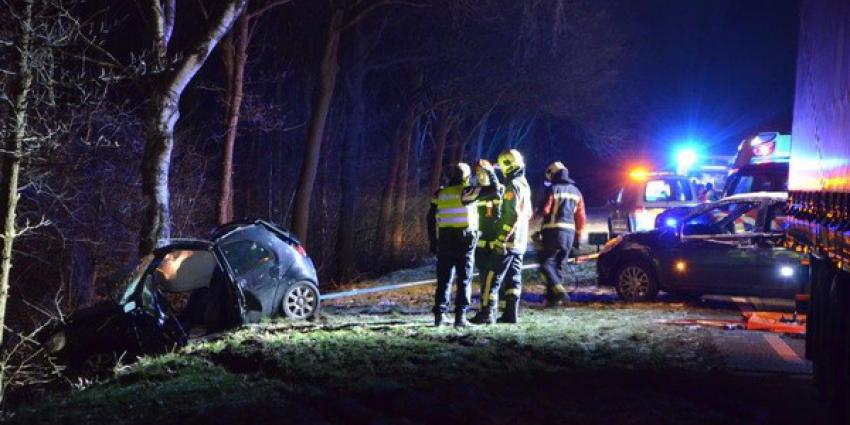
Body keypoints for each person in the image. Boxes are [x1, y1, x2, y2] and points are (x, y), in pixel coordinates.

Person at [428, 161, 503, 327]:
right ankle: (460, 317)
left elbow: (430, 218)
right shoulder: (466, 192)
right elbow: (496, 190)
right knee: (464, 278)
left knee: (444, 279)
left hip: (445, 239)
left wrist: (433, 241)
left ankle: (439, 316)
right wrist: (491, 172)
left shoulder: (439, 193)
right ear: (467, 177)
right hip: (464, 240)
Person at [536, 161, 586, 307]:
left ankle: (560, 293)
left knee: (546, 263)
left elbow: (545, 209)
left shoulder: (553, 189)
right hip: (569, 234)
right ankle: (553, 301)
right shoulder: (576, 191)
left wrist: (537, 217)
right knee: (559, 265)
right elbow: (581, 217)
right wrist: (578, 237)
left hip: (552, 232)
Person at [492, 149, 533, 324]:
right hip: (521, 242)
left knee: (495, 278)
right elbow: (528, 213)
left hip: (508, 243)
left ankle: (488, 314)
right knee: (514, 279)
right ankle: (511, 314)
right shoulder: (524, 184)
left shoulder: (512, 186)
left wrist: (502, 237)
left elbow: (512, 215)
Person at [469, 161, 504, 325]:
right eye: (478, 173)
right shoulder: (480, 191)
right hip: (481, 243)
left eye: (482, 173)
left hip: (492, 243)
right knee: (485, 280)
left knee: (490, 281)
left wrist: (491, 173)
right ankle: (486, 311)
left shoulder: (498, 189)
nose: (479, 176)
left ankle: (488, 313)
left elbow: (496, 190)